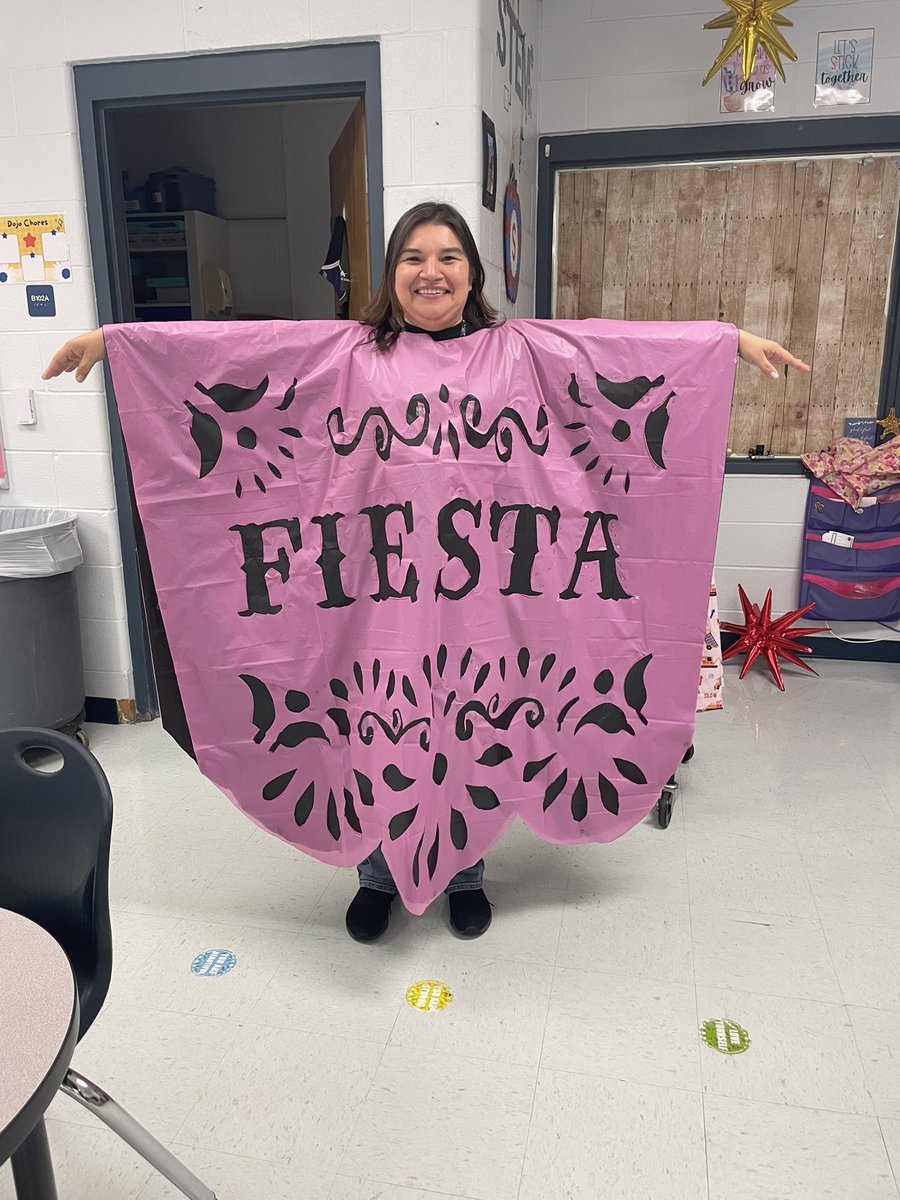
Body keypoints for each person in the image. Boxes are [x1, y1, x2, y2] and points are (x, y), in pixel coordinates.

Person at [43, 201, 811, 944]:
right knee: (375, 727)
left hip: (487, 603)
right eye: (414, 257)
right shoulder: (348, 355)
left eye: (448, 256)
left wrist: (727, 345)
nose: (431, 271)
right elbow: (240, 354)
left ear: (472, 274)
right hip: (375, 601)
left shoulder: (518, 352)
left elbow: (614, 352)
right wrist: (116, 343)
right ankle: (378, 878)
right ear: (393, 273)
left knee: (477, 726)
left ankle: (466, 876)